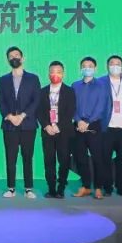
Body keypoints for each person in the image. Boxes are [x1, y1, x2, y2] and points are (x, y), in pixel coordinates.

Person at [0, 46, 41, 198]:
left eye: (16, 55)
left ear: (22, 58)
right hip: (9, 125)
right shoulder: (3, 80)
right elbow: (0, 101)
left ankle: (28, 188)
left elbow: (36, 100)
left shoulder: (33, 78)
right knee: (10, 157)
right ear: (8, 60)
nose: (14, 58)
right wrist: (9, 116)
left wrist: (22, 116)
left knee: (27, 157)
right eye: (11, 56)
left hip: (28, 124)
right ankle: (11, 188)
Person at [37, 61, 75, 199]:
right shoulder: (42, 91)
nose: (55, 74)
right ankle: (51, 188)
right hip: (47, 132)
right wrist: (46, 126)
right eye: (52, 72)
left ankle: (61, 188)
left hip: (64, 132)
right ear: (48, 74)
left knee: (64, 161)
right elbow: (39, 111)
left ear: (63, 74)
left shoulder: (70, 91)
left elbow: (71, 112)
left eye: (58, 72)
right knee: (49, 161)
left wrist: (58, 126)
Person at [71, 56, 108, 200]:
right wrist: (78, 120)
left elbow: (101, 107)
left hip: (94, 125)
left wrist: (87, 121)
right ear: (81, 69)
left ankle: (98, 187)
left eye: (90, 66)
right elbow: (71, 106)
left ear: (95, 68)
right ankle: (86, 186)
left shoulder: (101, 86)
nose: (87, 68)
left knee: (97, 157)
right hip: (78, 125)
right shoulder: (75, 85)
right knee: (80, 157)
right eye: (84, 66)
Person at [98, 55, 122, 197]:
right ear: (107, 66)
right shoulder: (100, 82)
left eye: (118, 64)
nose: (115, 66)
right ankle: (107, 187)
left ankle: (121, 187)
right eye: (112, 64)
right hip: (106, 127)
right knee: (105, 158)